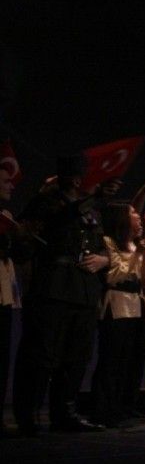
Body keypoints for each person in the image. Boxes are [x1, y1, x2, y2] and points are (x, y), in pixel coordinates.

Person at [13, 154, 120, 435]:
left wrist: (105, 259)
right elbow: (59, 219)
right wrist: (96, 197)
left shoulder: (92, 210)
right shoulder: (46, 202)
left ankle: (65, 413)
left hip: (83, 289)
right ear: (74, 179)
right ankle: (29, 415)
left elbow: (103, 244)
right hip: (53, 287)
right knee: (43, 354)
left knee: (77, 355)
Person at [90, 202, 145, 427]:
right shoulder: (110, 243)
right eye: (133, 214)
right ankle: (104, 409)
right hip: (117, 304)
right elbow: (115, 275)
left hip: (138, 304)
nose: (138, 217)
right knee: (112, 360)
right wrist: (138, 254)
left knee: (132, 360)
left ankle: (124, 407)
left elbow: (143, 276)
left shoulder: (135, 244)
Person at [0, 166, 20, 435]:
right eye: (5, 181)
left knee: (3, 356)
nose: (11, 185)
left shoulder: (6, 217)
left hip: (4, 295)